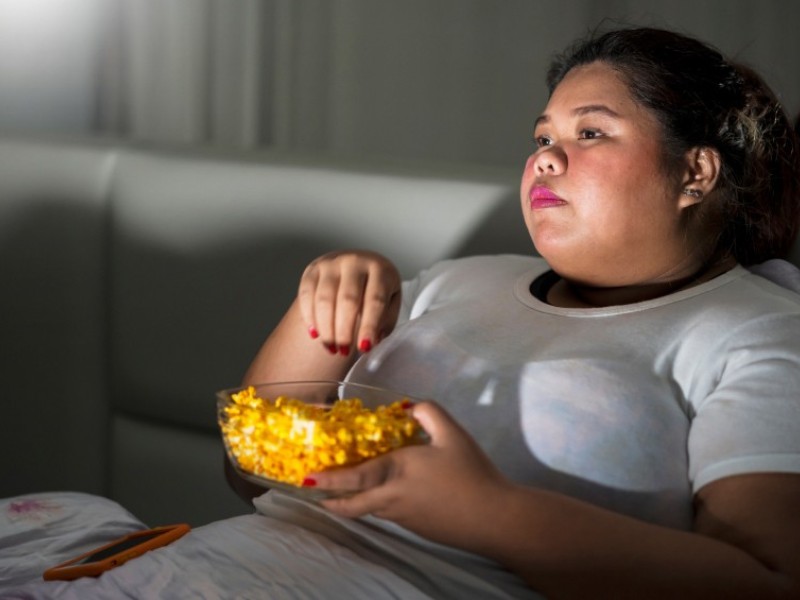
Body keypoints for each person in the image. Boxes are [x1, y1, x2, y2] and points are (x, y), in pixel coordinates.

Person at [240, 27, 800, 598]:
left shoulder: (764, 333)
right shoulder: (460, 280)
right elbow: (251, 473)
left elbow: (768, 583)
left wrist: (490, 514)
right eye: (542, 137)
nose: (545, 159)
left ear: (695, 173)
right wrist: (324, 300)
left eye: (590, 132)